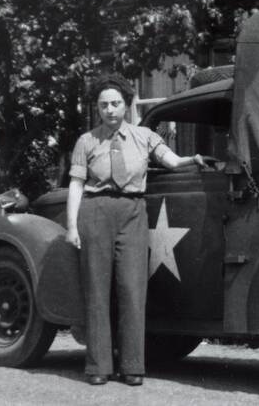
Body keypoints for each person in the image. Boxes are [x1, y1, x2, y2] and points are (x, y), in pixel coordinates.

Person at [64, 74, 209, 386]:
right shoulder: (87, 141)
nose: (110, 110)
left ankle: (132, 367)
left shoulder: (143, 136)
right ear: (98, 108)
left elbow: (169, 161)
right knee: (97, 290)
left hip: (133, 212)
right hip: (96, 211)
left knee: (132, 289)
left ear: (126, 104)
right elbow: (76, 185)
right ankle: (98, 367)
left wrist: (192, 159)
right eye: (104, 105)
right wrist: (72, 226)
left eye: (116, 103)